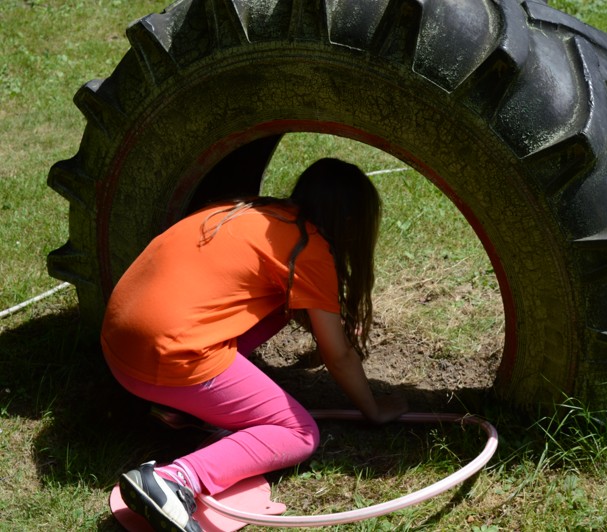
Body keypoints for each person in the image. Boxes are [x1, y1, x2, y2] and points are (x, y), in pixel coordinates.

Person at [101, 158, 408, 531]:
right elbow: (338, 357)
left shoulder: (247, 211)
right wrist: (372, 411)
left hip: (119, 348)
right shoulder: (308, 248)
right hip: (169, 359)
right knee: (299, 434)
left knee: (278, 304)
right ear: (349, 223)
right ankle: (173, 480)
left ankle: (180, 406)